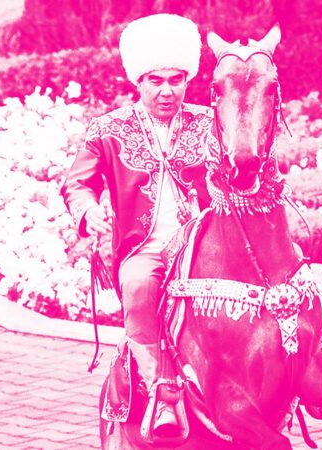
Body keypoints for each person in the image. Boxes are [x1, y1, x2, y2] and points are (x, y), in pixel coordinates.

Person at [60, 13, 212, 438]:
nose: (167, 90)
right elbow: (77, 184)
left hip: (203, 243)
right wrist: (89, 211)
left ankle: (298, 377)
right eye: (155, 80)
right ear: (138, 82)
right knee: (140, 288)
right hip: (143, 248)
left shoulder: (209, 124)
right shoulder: (108, 130)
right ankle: (163, 394)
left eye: (176, 80)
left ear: (188, 80)